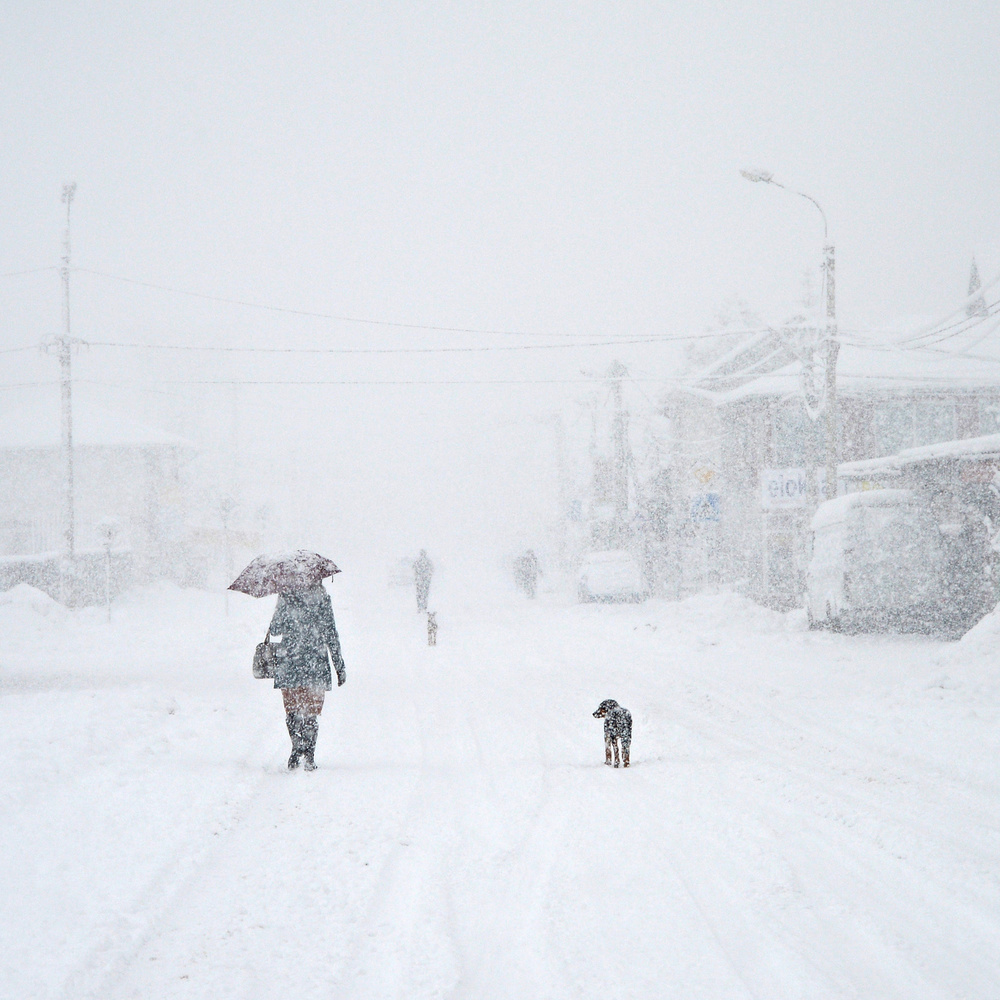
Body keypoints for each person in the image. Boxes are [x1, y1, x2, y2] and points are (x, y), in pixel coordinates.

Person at [268, 581, 345, 770]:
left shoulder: (286, 595)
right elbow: (330, 633)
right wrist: (339, 665)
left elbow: (275, 629)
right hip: (315, 662)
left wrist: (283, 607)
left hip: (290, 661)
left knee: (292, 709)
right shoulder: (322, 599)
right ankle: (309, 754)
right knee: (311, 711)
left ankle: (296, 747)